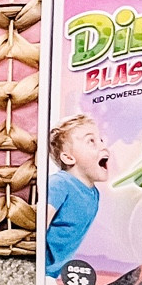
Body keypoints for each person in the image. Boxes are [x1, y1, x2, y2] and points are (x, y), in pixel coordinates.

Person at [42, 115, 111, 275]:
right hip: (42, 269)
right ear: (68, 157)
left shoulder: (94, 194)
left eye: (101, 140)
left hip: (58, 273)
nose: (103, 146)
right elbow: (39, 226)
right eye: (91, 141)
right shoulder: (59, 184)